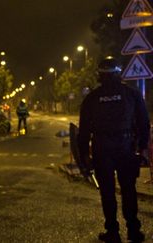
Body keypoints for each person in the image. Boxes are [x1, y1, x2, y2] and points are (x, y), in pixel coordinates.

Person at [78, 57, 150, 243]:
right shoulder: (131, 94)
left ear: (100, 75)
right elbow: (144, 124)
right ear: (119, 73)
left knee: (107, 192)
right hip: (126, 148)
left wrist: (84, 157)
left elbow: (84, 131)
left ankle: (113, 232)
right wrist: (143, 149)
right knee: (129, 190)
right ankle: (133, 230)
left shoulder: (92, 98)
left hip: (102, 151)